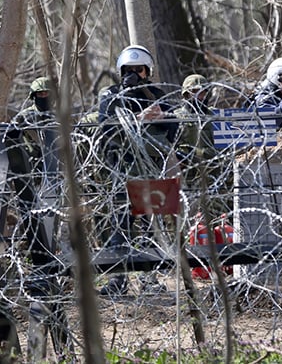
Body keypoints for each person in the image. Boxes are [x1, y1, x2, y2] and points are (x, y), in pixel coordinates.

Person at [96, 44, 177, 296]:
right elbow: (105, 127)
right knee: (120, 230)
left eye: (138, 69)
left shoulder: (156, 95)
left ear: (147, 70)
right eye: (128, 70)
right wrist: (137, 119)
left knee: (152, 229)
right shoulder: (110, 95)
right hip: (121, 169)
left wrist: (163, 117)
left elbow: (175, 132)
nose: (133, 74)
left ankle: (150, 280)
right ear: (121, 71)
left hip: (151, 169)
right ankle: (117, 283)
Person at [174, 74, 231, 219]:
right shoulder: (175, 118)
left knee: (217, 219)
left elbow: (226, 149)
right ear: (186, 95)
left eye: (204, 92)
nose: (200, 96)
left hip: (214, 177)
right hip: (187, 179)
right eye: (195, 92)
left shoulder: (215, 117)